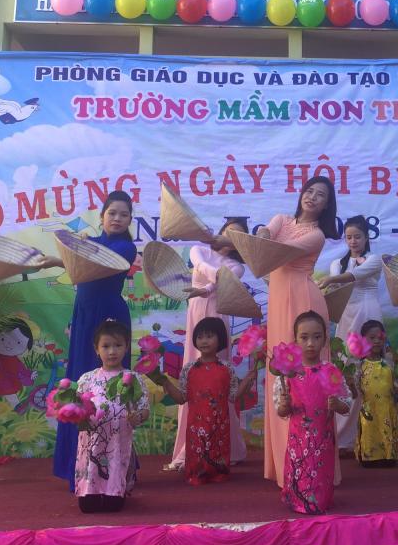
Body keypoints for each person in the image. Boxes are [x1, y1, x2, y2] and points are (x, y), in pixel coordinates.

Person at [215, 176, 338, 486]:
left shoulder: (316, 235)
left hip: (303, 299)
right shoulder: (282, 219)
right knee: (280, 372)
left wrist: (252, 241)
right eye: (309, 191)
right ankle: (283, 463)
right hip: (280, 299)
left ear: (327, 205)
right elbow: (265, 237)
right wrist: (257, 235)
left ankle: (312, 463)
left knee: (306, 372)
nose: (312, 197)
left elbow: (276, 251)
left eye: (320, 195)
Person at [47, 191, 138, 488]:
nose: (117, 218)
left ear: (130, 220)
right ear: (102, 216)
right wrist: (51, 260)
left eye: (124, 214)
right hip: (85, 313)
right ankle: (76, 464)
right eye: (112, 213)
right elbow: (79, 259)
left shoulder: (125, 247)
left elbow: (94, 262)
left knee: (108, 389)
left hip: (108, 315)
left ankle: (114, 466)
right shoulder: (92, 242)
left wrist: (78, 248)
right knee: (81, 382)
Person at [167, 218, 249, 471]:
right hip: (196, 314)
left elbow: (223, 279)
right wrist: (211, 285)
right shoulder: (199, 249)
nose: (230, 237)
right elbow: (202, 266)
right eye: (228, 231)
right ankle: (189, 448)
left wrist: (209, 288)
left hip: (217, 315)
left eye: (237, 236)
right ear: (220, 232)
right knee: (193, 376)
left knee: (220, 381)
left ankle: (227, 447)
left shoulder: (237, 267)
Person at [155, 317, 253, 485]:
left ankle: (218, 473)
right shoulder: (189, 369)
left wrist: (248, 380)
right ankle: (196, 472)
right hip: (196, 428)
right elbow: (181, 398)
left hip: (220, 427)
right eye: (200, 337)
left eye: (209, 336)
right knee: (196, 466)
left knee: (219, 461)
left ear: (220, 338)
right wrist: (165, 383)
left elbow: (234, 396)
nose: (204, 341)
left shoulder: (227, 368)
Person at [316, 215, 385, 454]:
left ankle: (373, 436)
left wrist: (331, 279)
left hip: (369, 313)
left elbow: (354, 276)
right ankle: (343, 437)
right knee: (346, 371)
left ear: (366, 237)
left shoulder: (375, 260)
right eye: (349, 237)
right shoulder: (337, 263)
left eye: (357, 236)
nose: (353, 241)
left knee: (371, 370)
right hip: (346, 315)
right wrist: (331, 281)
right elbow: (338, 285)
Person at [274, 310, 351, 514]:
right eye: (304, 337)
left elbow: (346, 406)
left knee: (320, 473)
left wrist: (338, 405)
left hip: (323, 442)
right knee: (299, 471)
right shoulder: (288, 373)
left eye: (317, 337)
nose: (310, 343)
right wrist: (284, 404)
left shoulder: (331, 371)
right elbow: (281, 411)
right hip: (297, 440)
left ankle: (320, 500)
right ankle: (296, 499)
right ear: (295, 340)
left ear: (325, 339)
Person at [74, 319, 149, 513]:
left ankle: (117, 489)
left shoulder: (134, 379)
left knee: (113, 506)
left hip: (117, 443)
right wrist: (73, 413)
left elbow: (144, 410)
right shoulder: (87, 379)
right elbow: (77, 409)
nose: (112, 351)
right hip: (91, 444)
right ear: (96, 349)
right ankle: (89, 490)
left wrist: (138, 417)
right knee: (88, 508)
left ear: (126, 347)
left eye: (118, 345)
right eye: (106, 346)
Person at [354, 319, 398, 467]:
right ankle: (368, 456)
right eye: (372, 337)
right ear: (363, 340)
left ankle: (388, 455)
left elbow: (395, 386)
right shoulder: (360, 366)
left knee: (386, 429)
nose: (376, 341)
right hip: (369, 411)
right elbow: (355, 393)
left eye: (380, 338)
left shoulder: (389, 363)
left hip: (386, 409)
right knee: (369, 431)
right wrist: (350, 385)